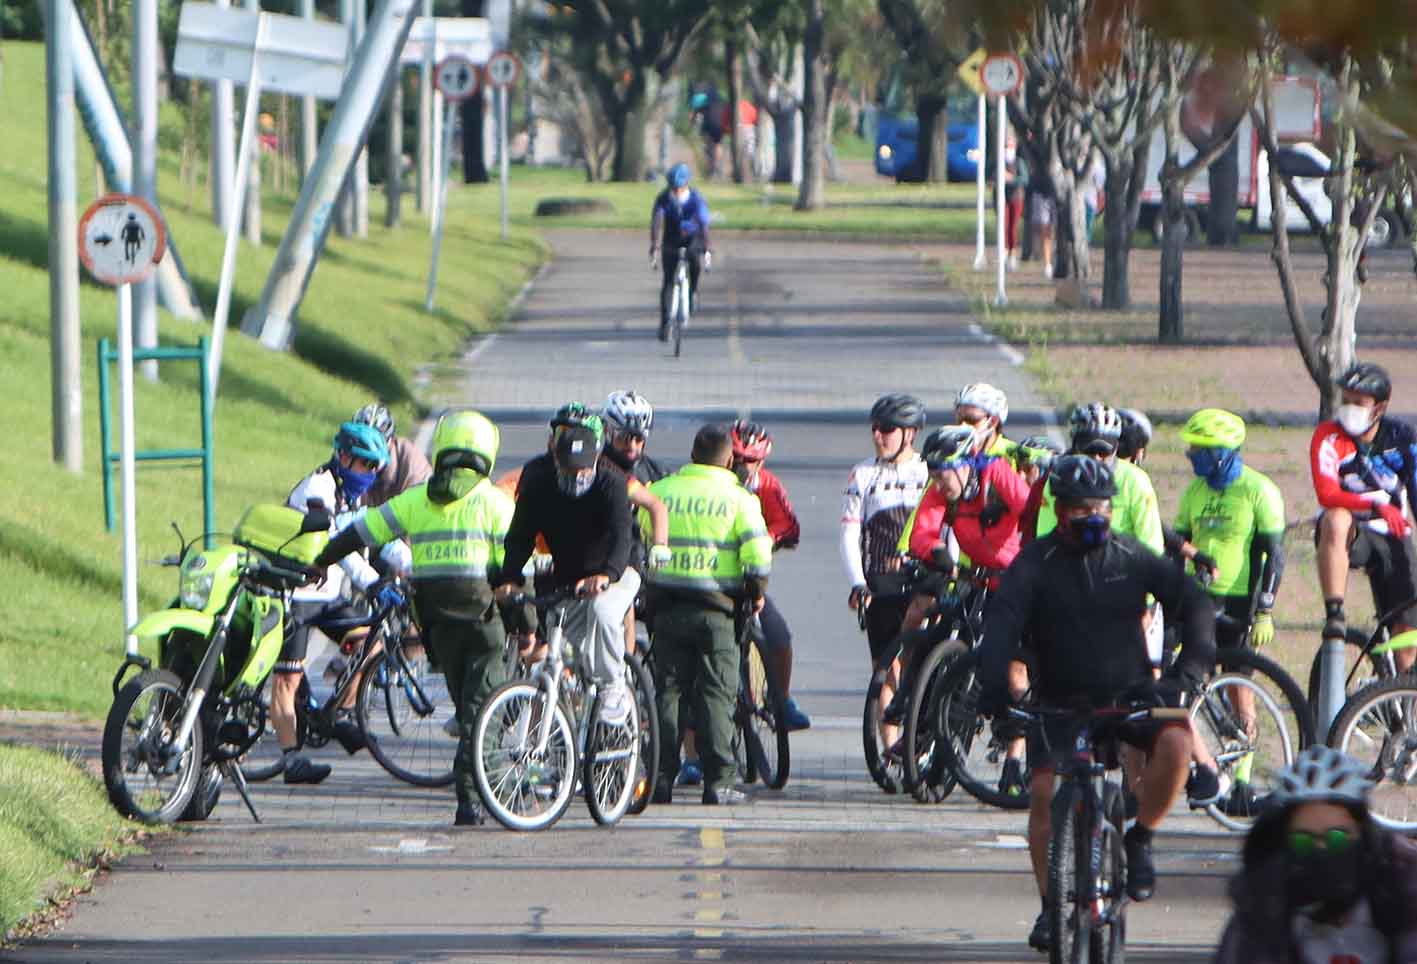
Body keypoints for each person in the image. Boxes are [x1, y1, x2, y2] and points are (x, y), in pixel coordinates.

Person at [977, 455, 1215, 951]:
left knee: (1176, 742)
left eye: (1102, 507)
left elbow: (1193, 602)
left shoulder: (1129, 555)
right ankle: (1050, 906)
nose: (1094, 516)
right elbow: (1001, 623)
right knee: (1042, 794)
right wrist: (994, 688)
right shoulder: (1035, 563)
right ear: (1060, 510)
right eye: (1081, 508)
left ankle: (1141, 837)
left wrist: (1188, 670)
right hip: (1059, 699)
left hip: (1130, 693)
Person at [313, 410, 518, 826]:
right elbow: (516, 571)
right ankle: (472, 799)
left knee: (470, 706)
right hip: (483, 621)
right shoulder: (495, 502)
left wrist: (321, 560)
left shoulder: (417, 499)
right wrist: (528, 623)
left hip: (435, 624)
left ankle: (490, 782)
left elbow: (361, 532)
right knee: (482, 708)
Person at [896, 423, 1032, 796]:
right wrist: (938, 554)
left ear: (965, 465)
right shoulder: (944, 491)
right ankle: (916, 713)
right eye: (933, 475)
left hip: (1017, 580)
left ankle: (1014, 762)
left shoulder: (995, 474)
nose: (938, 484)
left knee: (1015, 672)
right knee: (938, 634)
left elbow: (1032, 513)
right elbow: (923, 531)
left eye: (943, 474)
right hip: (980, 578)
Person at [644, 424, 773, 806]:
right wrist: (756, 594)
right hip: (718, 610)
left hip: (667, 607)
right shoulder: (739, 500)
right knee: (716, 695)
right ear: (729, 460)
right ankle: (718, 783)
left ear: (692, 455)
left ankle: (660, 777)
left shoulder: (662, 491)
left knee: (668, 693)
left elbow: (644, 533)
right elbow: (758, 558)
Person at [496, 404, 639, 725]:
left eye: (583, 473)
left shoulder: (612, 481)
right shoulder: (537, 478)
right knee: (560, 645)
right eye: (568, 472)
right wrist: (510, 577)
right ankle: (558, 731)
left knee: (602, 611)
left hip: (617, 570)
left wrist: (607, 574)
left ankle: (614, 686)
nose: (576, 479)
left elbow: (622, 537)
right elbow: (520, 535)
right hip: (570, 577)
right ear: (556, 459)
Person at [1173, 409, 1286, 815]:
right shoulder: (1194, 492)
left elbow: (1275, 556)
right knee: (1188, 681)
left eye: (1199, 449)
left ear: (1222, 453)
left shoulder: (1259, 490)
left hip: (1242, 600)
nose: (1190, 455)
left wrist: (1265, 610)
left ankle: (1242, 780)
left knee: (1241, 688)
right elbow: (1177, 546)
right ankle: (1204, 764)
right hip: (1201, 598)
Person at [1213, 745, 1417, 962]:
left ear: (1363, 833)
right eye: (1303, 841)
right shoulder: (1263, 904)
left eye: (1336, 839)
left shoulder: (1401, 887)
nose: (1322, 852)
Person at [274, 421, 390, 785]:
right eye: (364, 464)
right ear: (342, 456)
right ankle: (292, 760)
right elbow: (334, 543)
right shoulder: (318, 488)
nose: (369, 474)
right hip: (294, 595)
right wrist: (371, 581)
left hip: (326, 598)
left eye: (374, 467)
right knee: (288, 679)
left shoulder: (352, 495)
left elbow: (372, 536)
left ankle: (335, 716)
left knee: (372, 646)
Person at [1311, 362, 1417, 673]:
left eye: (1358, 403)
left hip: (1393, 533)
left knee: (1407, 636)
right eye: (1345, 400)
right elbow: (1327, 493)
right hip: (1350, 532)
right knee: (1335, 518)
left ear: (1379, 408)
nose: (1348, 408)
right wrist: (1375, 505)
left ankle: (1399, 697)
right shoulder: (1328, 436)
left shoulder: (1401, 437)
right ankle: (1335, 613)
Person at [841, 394, 930, 745]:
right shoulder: (863, 473)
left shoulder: (928, 470)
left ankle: (925, 734)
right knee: (886, 666)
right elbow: (849, 533)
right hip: (881, 579)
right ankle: (891, 748)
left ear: (910, 434)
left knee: (921, 661)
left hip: (925, 578)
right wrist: (858, 582)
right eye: (875, 429)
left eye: (888, 429)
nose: (878, 436)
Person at [729, 420, 810, 731]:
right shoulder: (716, 481)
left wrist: (767, 538)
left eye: (750, 460)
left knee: (779, 637)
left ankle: (781, 700)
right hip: (712, 578)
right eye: (737, 458)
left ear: (762, 460)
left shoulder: (768, 486)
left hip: (748, 581)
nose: (743, 466)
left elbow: (788, 525)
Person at [650, 163, 712, 342]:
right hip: (671, 239)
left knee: (695, 264)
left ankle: (692, 291)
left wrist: (707, 248)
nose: (677, 191)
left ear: (686, 184)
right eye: (673, 188)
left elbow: (704, 225)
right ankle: (665, 324)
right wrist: (655, 245)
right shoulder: (663, 199)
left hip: (692, 238)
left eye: (680, 187)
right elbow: (657, 222)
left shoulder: (696, 199)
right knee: (668, 281)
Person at [352, 403, 432, 510]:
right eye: (360, 443)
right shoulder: (346, 457)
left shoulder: (412, 465)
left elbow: (416, 508)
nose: (367, 453)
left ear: (390, 441)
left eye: (376, 444)